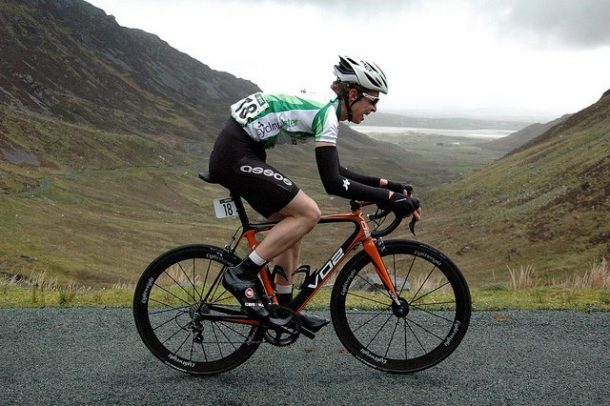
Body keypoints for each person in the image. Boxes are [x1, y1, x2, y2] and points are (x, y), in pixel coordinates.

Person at [208, 56, 420, 331]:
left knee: (292, 224)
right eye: (373, 100)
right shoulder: (327, 114)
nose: (375, 108)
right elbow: (332, 183)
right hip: (235, 154)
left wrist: (389, 187)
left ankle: (284, 310)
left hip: (241, 151)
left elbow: (339, 170)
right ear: (353, 94)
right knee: (309, 213)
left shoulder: (326, 108)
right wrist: (391, 200)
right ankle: (241, 274)